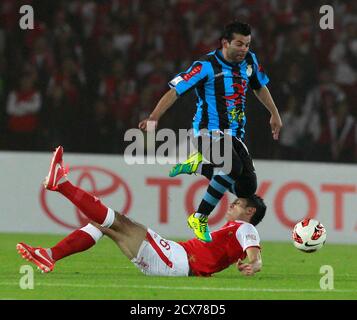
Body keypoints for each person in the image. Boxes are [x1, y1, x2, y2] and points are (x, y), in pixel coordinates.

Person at [16, 146, 266, 277]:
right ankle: (49, 254)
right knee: (101, 224)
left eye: (239, 203)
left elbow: (253, 252)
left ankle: (61, 185)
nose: (232, 203)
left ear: (250, 211)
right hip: (175, 260)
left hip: (176, 261)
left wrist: (254, 263)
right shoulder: (235, 228)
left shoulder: (246, 228)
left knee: (117, 220)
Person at [138, 21, 282, 242]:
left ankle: (199, 166)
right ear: (225, 43)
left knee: (247, 187)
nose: (244, 49)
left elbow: (259, 86)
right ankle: (199, 216)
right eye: (240, 44)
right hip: (207, 133)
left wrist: (274, 113)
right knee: (232, 167)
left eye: (248, 44)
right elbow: (175, 91)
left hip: (234, 135)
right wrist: (154, 117)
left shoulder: (250, 61)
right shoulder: (205, 65)